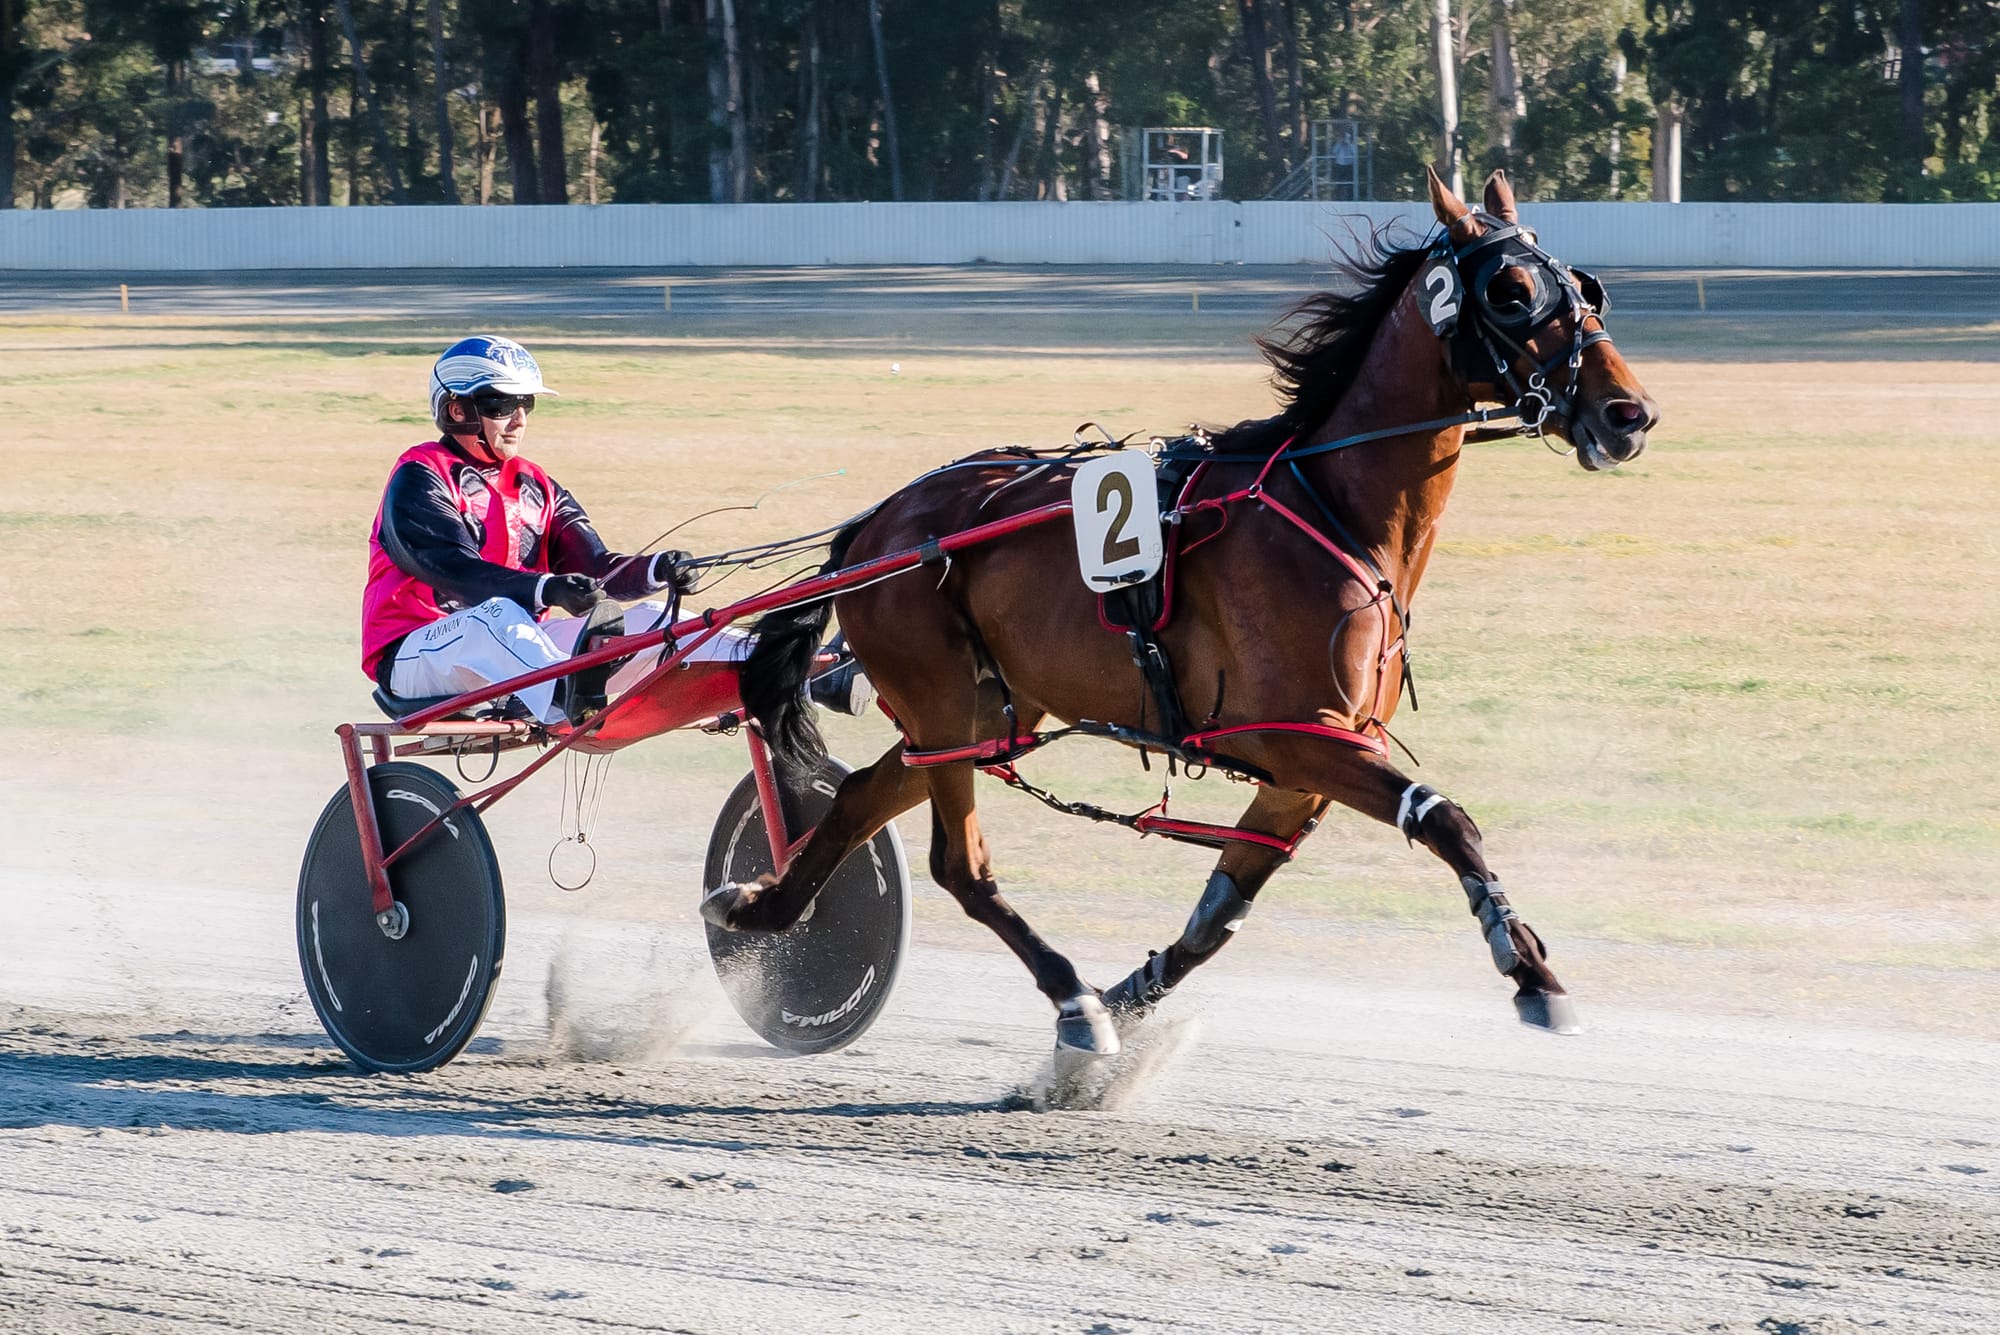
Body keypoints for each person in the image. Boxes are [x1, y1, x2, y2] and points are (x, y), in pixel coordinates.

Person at [361, 335, 869, 725]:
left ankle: (806, 674)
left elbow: (598, 569)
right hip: (414, 654)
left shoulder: (536, 484)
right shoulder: (418, 476)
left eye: (526, 406)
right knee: (493, 617)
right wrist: (545, 587)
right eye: (501, 406)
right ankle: (568, 701)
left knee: (648, 619)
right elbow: (455, 571)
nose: (518, 420)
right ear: (456, 411)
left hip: (520, 653)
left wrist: (657, 570)